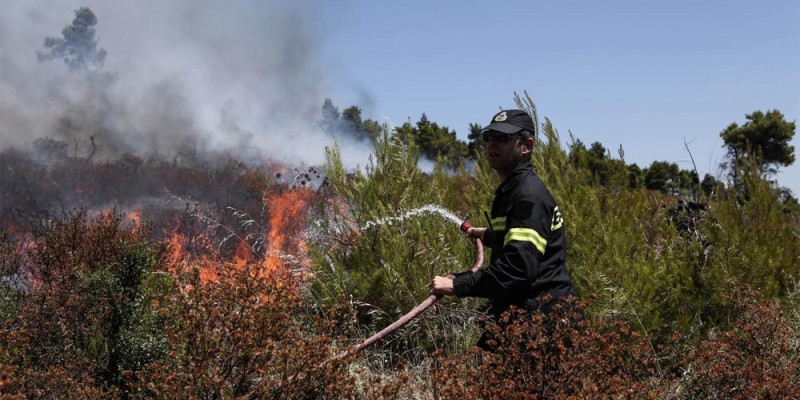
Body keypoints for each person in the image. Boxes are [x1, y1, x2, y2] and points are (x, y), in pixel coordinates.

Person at [430, 109, 577, 350]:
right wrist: (488, 235)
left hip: (543, 326)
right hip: (526, 315)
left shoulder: (527, 196)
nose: (492, 144)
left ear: (527, 145)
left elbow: (518, 269)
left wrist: (458, 285)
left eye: (504, 138)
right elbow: (518, 239)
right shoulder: (513, 190)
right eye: (489, 137)